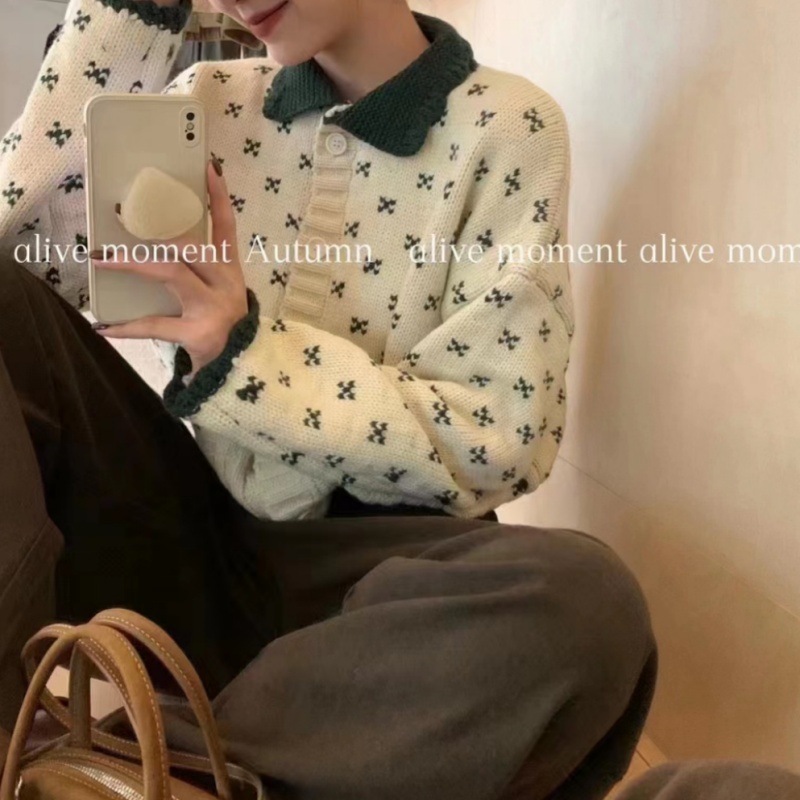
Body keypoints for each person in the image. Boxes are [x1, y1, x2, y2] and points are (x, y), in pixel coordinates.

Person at [0, 1, 791, 799]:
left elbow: (500, 440)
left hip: (384, 581)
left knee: (591, 603)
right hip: (184, 536)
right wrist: (127, 16)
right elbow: (16, 250)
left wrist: (246, 354)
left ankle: (157, 771)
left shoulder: (507, 130)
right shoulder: (202, 101)